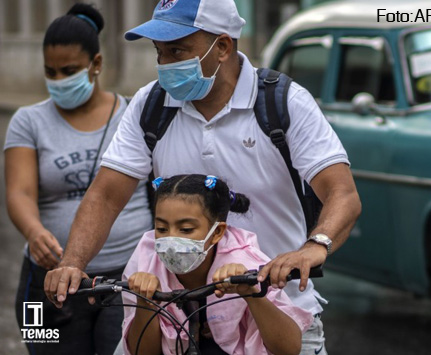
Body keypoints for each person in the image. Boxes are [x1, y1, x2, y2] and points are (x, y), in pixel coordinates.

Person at [44, 0, 361, 353]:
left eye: (177, 50)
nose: (164, 64)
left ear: (222, 46)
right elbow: (106, 194)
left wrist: (314, 247)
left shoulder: (284, 103)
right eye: (159, 52)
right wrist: (72, 263)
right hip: (175, 323)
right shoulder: (151, 106)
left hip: (277, 317)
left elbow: (342, 194)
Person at [4, 3, 152, 355]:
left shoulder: (134, 114)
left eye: (68, 71)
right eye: (50, 72)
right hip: (47, 281)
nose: (58, 81)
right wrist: (34, 231)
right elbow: (19, 193)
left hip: (124, 277)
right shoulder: (28, 121)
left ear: (96, 64)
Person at [122, 174, 313, 355]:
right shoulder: (144, 261)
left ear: (217, 232)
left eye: (186, 229)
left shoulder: (249, 263)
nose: (171, 239)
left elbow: (289, 348)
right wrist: (144, 300)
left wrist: (249, 292)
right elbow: (142, 351)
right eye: (162, 228)